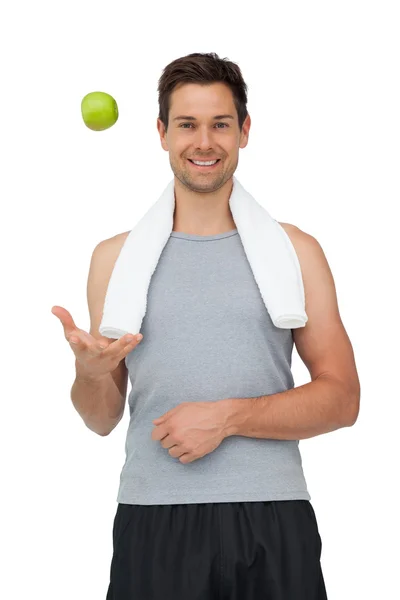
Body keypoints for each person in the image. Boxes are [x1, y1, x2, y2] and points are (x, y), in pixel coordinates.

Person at [52, 52, 360, 599]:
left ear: (244, 131)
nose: (204, 142)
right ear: (162, 133)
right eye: (187, 124)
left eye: (220, 124)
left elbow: (343, 399)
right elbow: (101, 420)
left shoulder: (297, 252)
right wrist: (91, 374)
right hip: (153, 520)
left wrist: (227, 418)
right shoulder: (114, 260)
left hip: (273, 518)